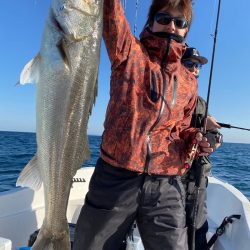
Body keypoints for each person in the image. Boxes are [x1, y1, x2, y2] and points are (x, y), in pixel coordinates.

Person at [73, 1, 214, 250]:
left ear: (186, 31)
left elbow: (180, 129)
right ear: (151, 22)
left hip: (166, 183)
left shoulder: (189, 82)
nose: (171, 25)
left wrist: (196, 140)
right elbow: (110, 12)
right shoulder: (128, 52)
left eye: (179, 22)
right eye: (163, 18)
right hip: (116, 176)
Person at [181, 47, 223, 249]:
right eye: (190, 63)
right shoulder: (169, 96)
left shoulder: (201, 103)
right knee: (172, 228)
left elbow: (211, 131)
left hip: (198, 176)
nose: (195, 69)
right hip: (172, 175)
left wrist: (215, 137)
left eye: (198, 66)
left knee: (198, 227)